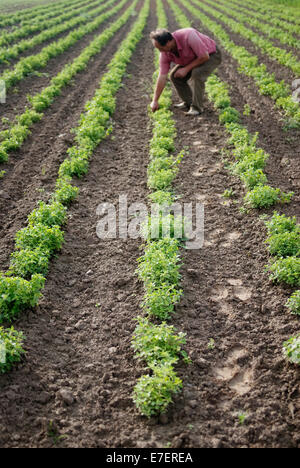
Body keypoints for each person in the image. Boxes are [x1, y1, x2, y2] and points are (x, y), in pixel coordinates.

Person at [150, 28, 222, 116]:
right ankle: (189, 102)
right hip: (193, 58)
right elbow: (162, 76)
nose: (160, 51)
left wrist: (186, 69)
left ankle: (197, 108)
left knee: (197, 74)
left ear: (168, 42)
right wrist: (155, 100)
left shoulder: (188, 36)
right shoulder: (165, 53)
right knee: (174, 76)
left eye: (161, 48)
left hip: (211, 54)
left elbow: (204, 56)